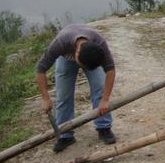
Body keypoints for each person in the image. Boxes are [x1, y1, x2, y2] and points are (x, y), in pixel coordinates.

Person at [36, 23, 117, 152]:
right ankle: (65, 134)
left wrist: (105, 99)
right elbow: (40, 69)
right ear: (77, 52)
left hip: (89, 55)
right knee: (63, 96)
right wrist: (45, 98)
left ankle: (104, 128)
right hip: (65, 59)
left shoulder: (99, 43)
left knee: (99, 88)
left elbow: (110, 70)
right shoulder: (61, 43)